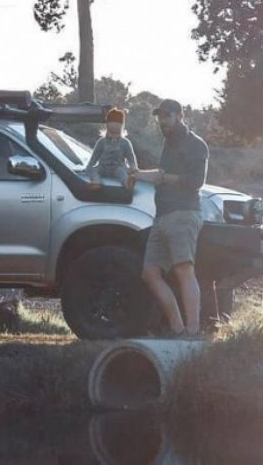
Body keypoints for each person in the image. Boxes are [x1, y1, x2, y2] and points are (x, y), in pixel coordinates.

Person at [134, 99, 209, 337]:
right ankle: (177, 329)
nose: (162, 121)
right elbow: (159, 176)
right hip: (162, 216)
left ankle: (193, 330)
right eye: (159, 116)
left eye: (166, 116)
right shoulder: (168, 143)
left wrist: (164, 178)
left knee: (183, 270)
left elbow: (196, 181)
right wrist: (135, 174)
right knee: (150, 273)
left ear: (180, 115)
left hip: (184, 214)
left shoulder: (196, 145)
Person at [85, 108, 138, 190]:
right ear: (106, 128)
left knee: (122, 172)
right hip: (103, 167)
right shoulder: (101, 142)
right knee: (94, 170)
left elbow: (130, 157)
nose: (113, 135)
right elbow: (95, 156)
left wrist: (133, 166)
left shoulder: (125, 143)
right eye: (111, 132)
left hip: (117, 167)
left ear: (121, 130)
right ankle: (97, 182)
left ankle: (127, 184)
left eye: (116, 132)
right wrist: (89, 166)